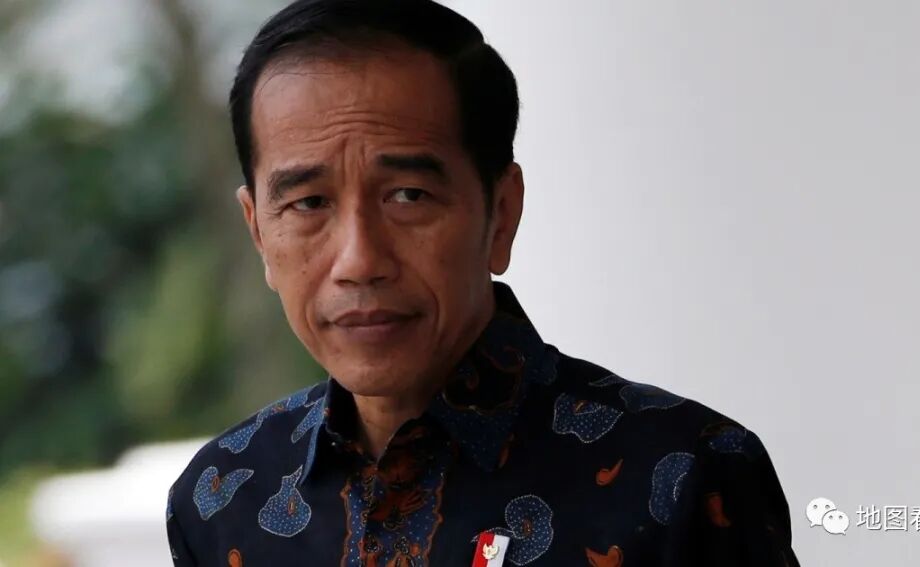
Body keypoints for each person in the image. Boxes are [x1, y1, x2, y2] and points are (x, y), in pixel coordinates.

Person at [165, 0, 801, 565]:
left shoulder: (685, 476)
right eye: (308, 203)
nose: (359, 260)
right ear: (258, 231)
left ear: (502, 213)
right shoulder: (223, 500)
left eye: (408, 195)